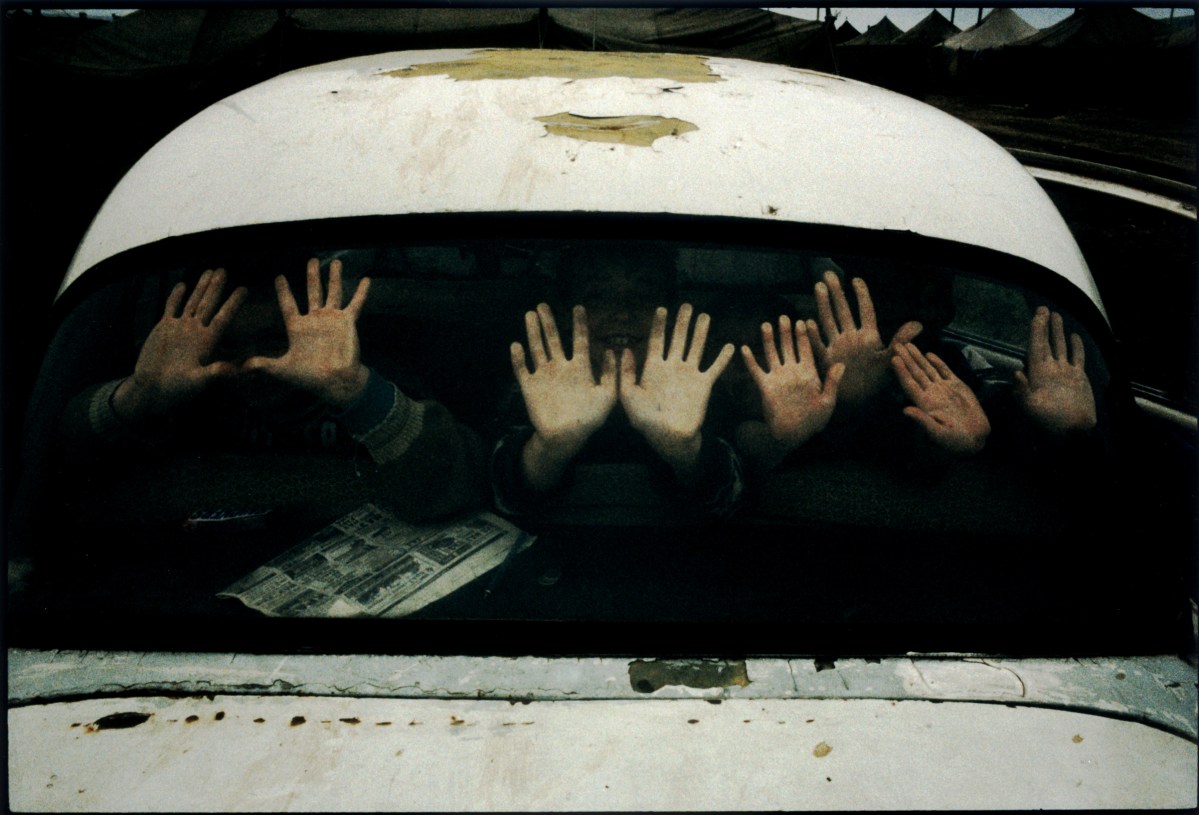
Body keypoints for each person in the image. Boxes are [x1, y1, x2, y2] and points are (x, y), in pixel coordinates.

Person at [59, 258, 488, 524]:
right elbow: (61, 459)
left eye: (273, 340)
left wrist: (354, 390)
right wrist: (137, 398)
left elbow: (460, 485)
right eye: (226, 345)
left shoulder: (371, 387)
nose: (251, 363)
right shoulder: (193, 397)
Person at [490, 243, 743, 519]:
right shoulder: (535, 389)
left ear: (668, 312)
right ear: (565, 311)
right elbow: (500, 498)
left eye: (643, 295)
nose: (623, 312)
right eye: (598, 296)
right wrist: (548, 448)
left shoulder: (700, 388)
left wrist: (686, 450)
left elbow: (734, 499)